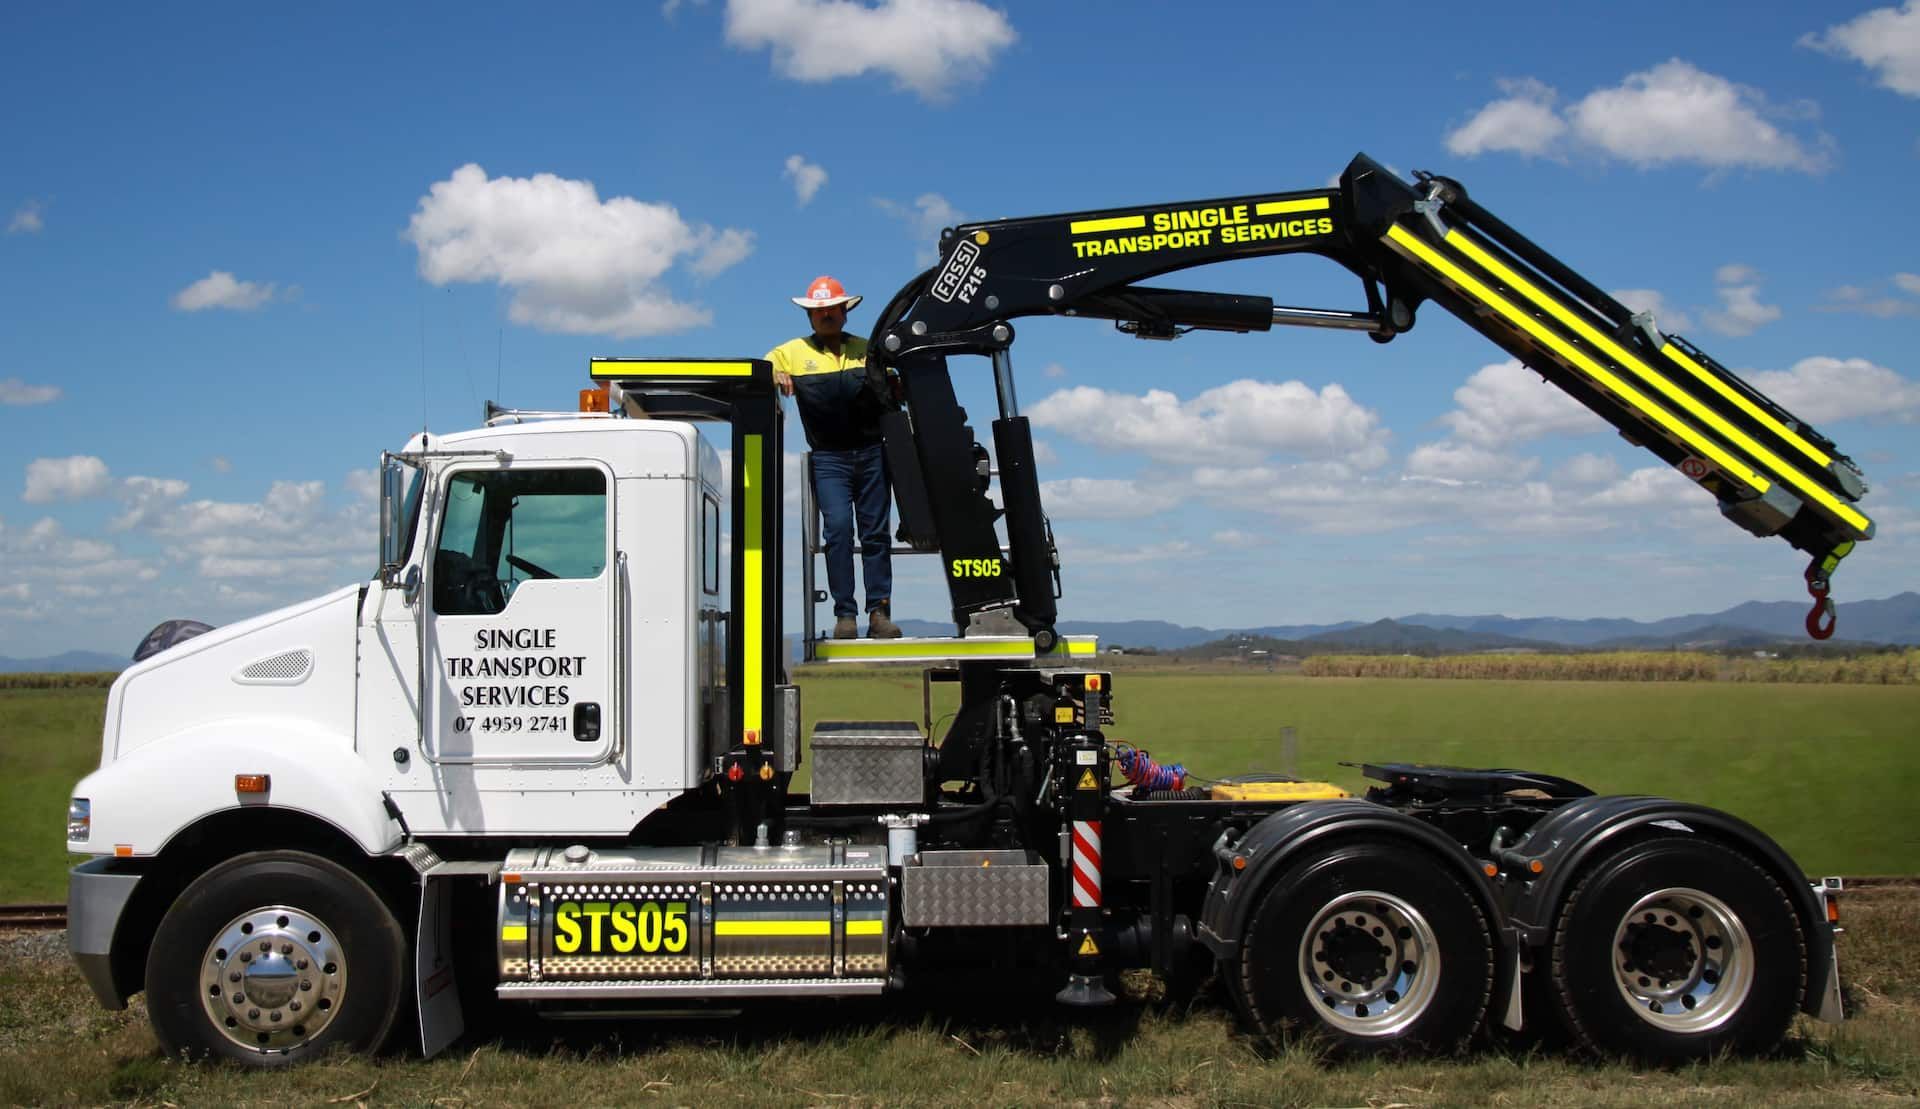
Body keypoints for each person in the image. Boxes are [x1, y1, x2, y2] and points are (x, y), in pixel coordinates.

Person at [767, 276, 901, 640]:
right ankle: (846, 615)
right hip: (829, 459)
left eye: (832, 309)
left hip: (873, 452)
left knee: (875, 534)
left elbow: (895, 384)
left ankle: (879, 614)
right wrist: (776, 374)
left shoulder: (868, 349)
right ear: (810, 316)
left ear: (845, 312)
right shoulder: (791, 352)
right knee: (838, 530)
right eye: (819, 311)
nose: (826, 315)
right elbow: (764, 368)